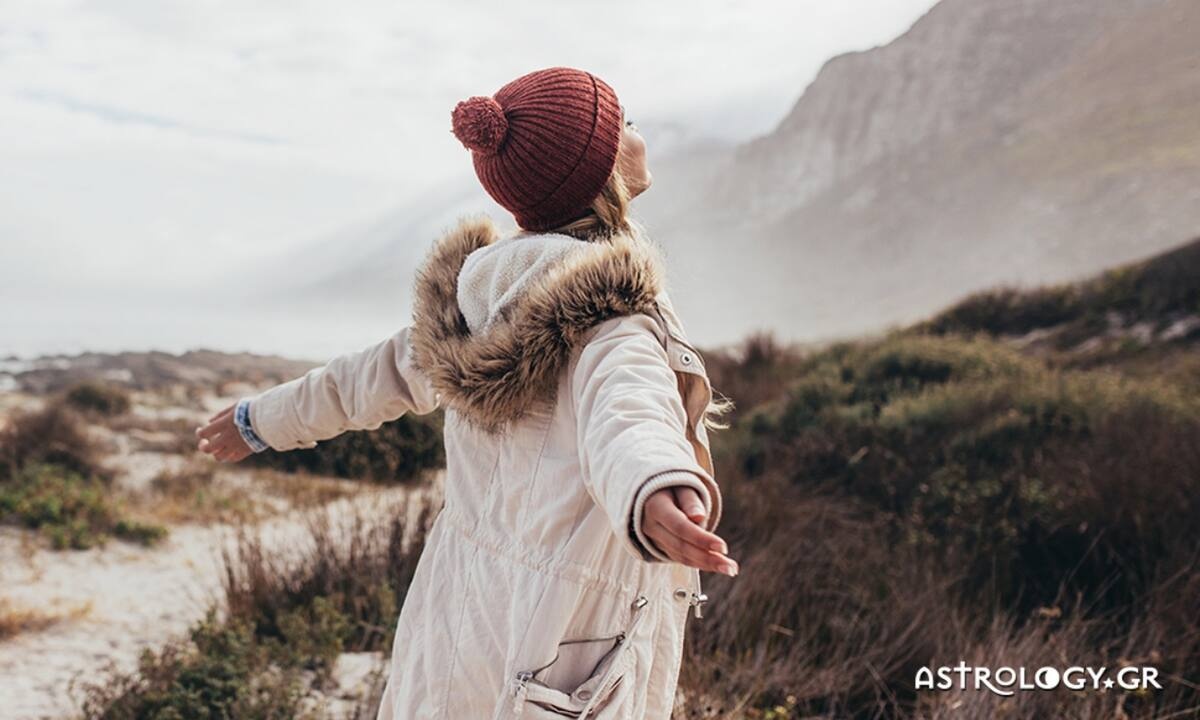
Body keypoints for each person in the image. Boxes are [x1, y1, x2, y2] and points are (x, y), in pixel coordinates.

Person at [195, 65, 738, 719]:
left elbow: (360, 381)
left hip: (465, 600)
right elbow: (629, 410)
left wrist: (259, 420)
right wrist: (654, 482)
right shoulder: (613, 317)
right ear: (603, 172)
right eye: (624, 124)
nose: (637, 132)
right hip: (566, 628)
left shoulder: (474, 300)